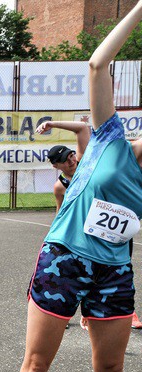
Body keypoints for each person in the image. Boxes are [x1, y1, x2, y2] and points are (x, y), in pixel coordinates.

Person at [0, 4, 142, 372]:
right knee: (36, 364)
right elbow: (98, 64)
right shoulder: (110, 138)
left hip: (115, 271)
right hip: (64, 259)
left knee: (112, 368)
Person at [37, 123, 142, 329]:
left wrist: (51, 124)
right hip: (80, 239)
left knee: (120, 272)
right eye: (64, 160)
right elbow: (61, 211)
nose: (71, 160)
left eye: (71, 155)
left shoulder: (87, 162)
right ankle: (67, 313)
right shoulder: (60, 187)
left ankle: (126, 313)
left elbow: (83, 128)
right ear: (56, 166)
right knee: (74, 277)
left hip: (111, 232)